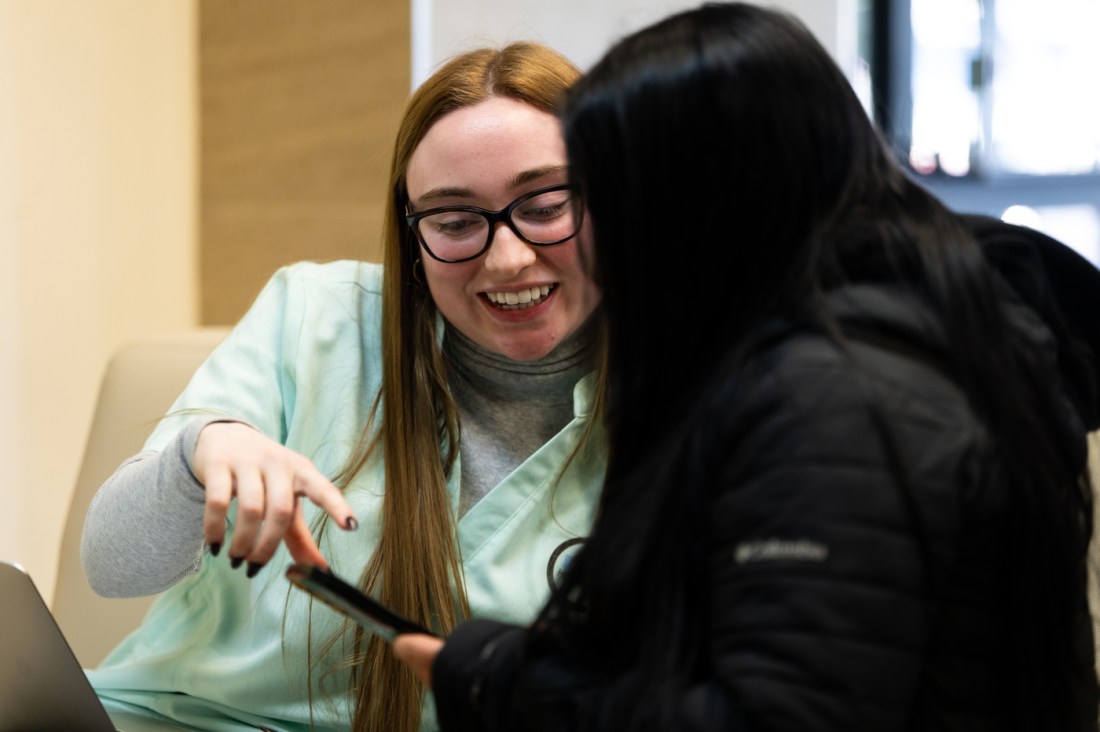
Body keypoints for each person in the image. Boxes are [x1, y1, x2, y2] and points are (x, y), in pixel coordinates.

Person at [393, 4, 1100, 730]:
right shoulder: (881, 343)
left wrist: (507, 684)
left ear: (698, 201)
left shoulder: (834, 400)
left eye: (602, 197)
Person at [81, 41, 604, 732]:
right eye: (454, 222)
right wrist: (198, 454)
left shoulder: (704, 390)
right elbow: (111, 568)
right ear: (412, 236)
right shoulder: (313, 316)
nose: (507, 258)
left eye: (544, 205)